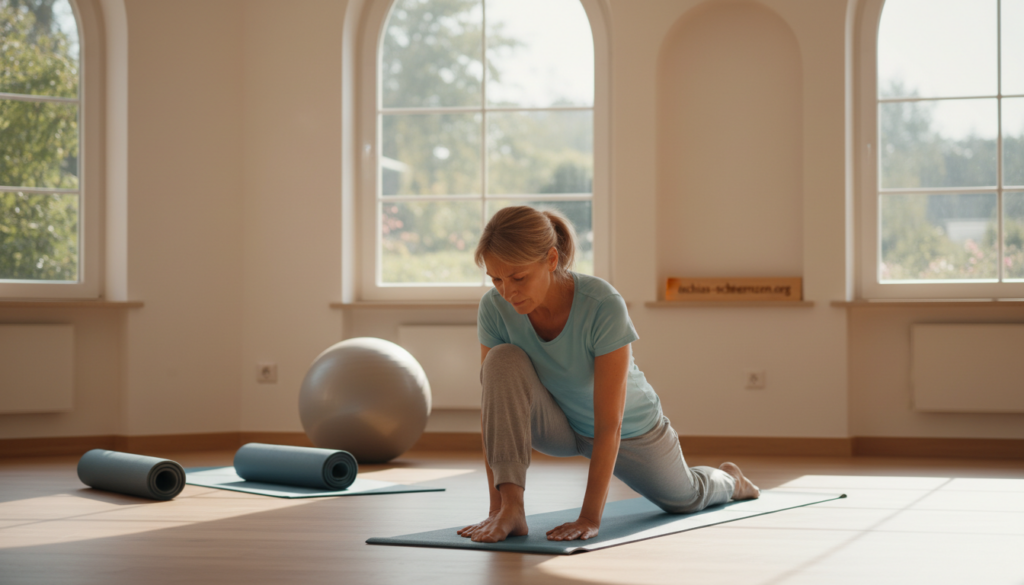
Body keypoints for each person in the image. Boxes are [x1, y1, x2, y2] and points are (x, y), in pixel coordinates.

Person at [457, 206, 760, 544]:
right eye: (496, 279)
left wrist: (589, 517)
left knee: (685, 499)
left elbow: (609, 425)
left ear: (552, 260)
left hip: (631, 430)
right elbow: (494, 411)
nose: (506, 292)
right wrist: (497, 508)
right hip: (558, 423)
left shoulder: (601, 303)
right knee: (500, 361)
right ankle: (513, 508)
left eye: (518, 277)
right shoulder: (494, 309)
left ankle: (729, 479)